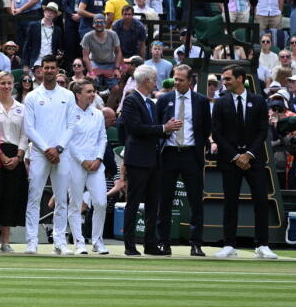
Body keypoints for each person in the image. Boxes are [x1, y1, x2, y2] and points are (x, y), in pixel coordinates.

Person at [212, 65, 278, 259]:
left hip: (254, 160)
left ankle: (262, 245)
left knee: (261, 200)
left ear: (240, 79)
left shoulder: (258, 101)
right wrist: (236, 156)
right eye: (223, 79)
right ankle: (229, 244)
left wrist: (248, 154)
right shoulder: (220, 102)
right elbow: (216, 132)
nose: (224, 82)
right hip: (230, 160)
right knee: (230, 202)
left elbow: (262, 131)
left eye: (228, 79)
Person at [120, 64, 179, 256]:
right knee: (134, 202)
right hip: (138, 159)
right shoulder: (131, 101)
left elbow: (153, 130)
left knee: (154, 203)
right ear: (146, 81)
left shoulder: (151, 103)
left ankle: (150, 243)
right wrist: (164, 128)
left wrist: (167, 130)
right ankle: (129, 245)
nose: (156, 83)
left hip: (153, 159)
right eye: (154, 80)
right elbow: (136, 128)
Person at [21, 54, 74, 254]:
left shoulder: (68, 96)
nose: (49, 71)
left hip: (62, 154)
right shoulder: (33, 97)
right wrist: (46, 149)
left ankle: (60, 241)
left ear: (57, 70)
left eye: (53, 68)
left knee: (61, 198)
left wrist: (58, 148)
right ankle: (32, 241)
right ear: (41, 70)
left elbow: (71, 125)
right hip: (39, 153)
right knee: (34, 196)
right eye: (46, 68)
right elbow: (30, 128)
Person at [157, 64, 210, 256]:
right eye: (174, 79)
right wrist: (166, 128)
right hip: (169, 153)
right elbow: (157, 125)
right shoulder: (164, 99)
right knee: (165, 200)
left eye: (180, 80)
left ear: (190, 81)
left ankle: (196, 243)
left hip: (191, 154)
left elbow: (206, 128)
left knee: (195, 200)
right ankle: (163, 241)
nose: (176, 83)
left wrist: (199, 147)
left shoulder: (201, 101)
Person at [63, 79, 107, 255]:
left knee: (101, 203)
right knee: (75, 204)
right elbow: (69, 140)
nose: (92, 94)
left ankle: (97, 241)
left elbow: (102, 138)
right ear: (78, 95)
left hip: (96, 165)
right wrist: (82, 160)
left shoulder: (98, 114)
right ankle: (79, 242)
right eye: (88, 91)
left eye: (93, 91)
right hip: (75, 164)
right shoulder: (69, 114)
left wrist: (98, 158)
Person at [0, 71, 28, 252]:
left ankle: (5, 242)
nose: (6, 86)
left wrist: (18, 156)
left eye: (9, 83)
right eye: (3, 83)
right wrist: (0, 156)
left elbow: (25, 134)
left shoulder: (21, 108)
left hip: (15, 156)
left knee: (10, 198)